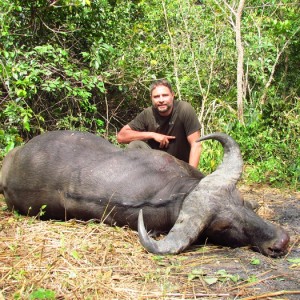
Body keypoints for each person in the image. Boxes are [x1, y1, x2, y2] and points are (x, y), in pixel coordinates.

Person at [117, 79, 202, 168]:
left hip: (180, 167)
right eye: (156, 97)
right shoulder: (148, 114)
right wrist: (152, 135)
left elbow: (196, 144)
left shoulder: (184, 109)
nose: (161, 100)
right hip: (155, 167)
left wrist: (191, 174)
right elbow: (121, 137)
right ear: (151, 98)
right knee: (135, 145)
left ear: (172, 95)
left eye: (165, 95)